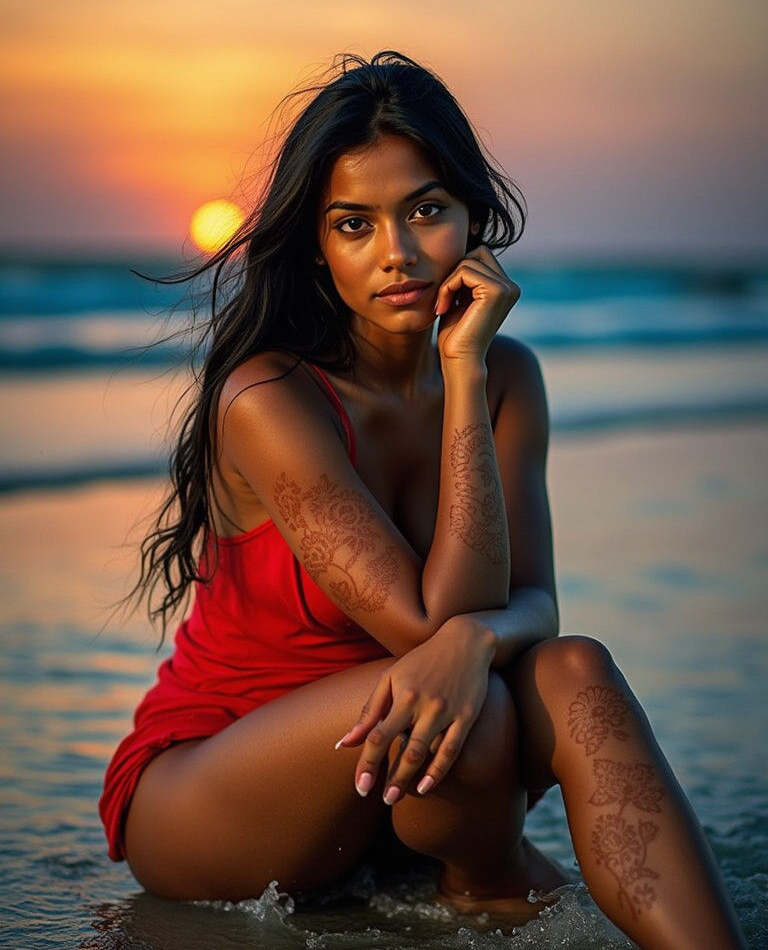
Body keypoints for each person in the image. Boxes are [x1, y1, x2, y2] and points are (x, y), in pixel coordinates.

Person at [100, 51, 746, 950]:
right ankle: (490, 879)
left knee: (577, 667)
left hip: (406, 768)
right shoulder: (269, 398)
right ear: (317, 246)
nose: (397, 254)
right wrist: (464, 367)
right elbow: (429, 624)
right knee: (474, 703)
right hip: (218, 793)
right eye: (353, 224)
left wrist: (468, 374)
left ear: (472, 217)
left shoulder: (509, 375)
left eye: (426, 211)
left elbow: (532, 605)